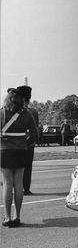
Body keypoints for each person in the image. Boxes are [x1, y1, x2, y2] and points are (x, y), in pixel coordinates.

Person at [1, 88, 38, 227]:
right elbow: (35, 135)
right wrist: (24, 143)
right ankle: (17, 216)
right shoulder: (27, 114)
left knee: (7, 183)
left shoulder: (2, 113)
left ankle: (7, 217)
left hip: (5, 151)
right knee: (18, 184)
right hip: (21, 150)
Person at [18, 86, 39, 195]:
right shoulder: (33, 112)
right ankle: (26, 187)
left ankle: (17, 187)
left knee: (16, 167)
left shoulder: (12, 111)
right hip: (29, 143)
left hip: (16, 143)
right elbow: (36, 130)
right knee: (28, 166)